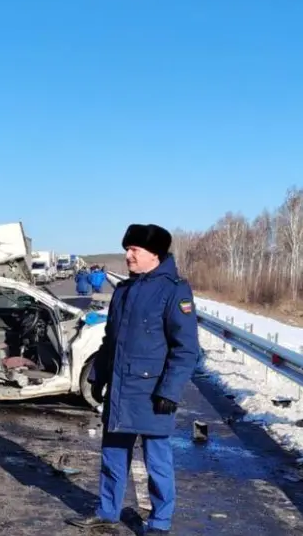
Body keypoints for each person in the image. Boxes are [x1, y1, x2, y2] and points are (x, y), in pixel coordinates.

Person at [67, 224, 200, 535]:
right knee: (112, 456)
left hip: (153, 393)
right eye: (127, 249)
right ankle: (107, 511)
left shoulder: (175, 290)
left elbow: (186, 349)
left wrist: (170, 389)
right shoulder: (124, 291)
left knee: (157, 463)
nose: (127, 255)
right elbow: (110, 340)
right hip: (120, 389)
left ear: (154, 254)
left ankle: (160, 522)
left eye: (134, 250)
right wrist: (98, 376)